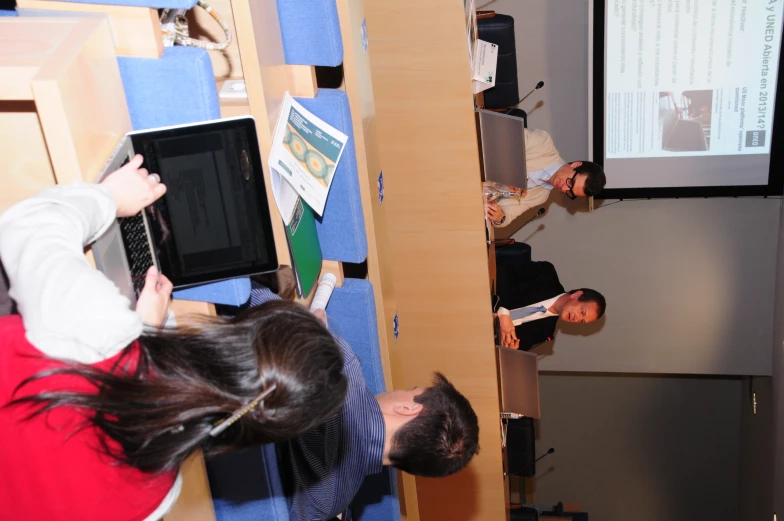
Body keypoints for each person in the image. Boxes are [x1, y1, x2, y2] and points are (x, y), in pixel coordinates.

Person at [0, 155, 348, 521]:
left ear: (240, 330)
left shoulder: (101, 329)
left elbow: (24, 229)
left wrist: (108, 198)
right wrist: (147, 331)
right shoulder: (160, 492)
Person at [484, 128, 606, 229]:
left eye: (570, 192)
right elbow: (502, 138)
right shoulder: (543, 144)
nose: (563, 188)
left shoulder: (541, 196)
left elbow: (508, 214)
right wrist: (511, 173)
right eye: (571, 182)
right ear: (576, 165)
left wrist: (500, 217)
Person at [495, 259, 606, 350]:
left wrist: (510, 350)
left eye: (582, 321)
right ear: (577, 295)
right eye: (582, 312)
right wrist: (504, 313)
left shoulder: (545, 333)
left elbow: (508, 348)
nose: (576, 319)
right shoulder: (545, 274)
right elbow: (504, 270)